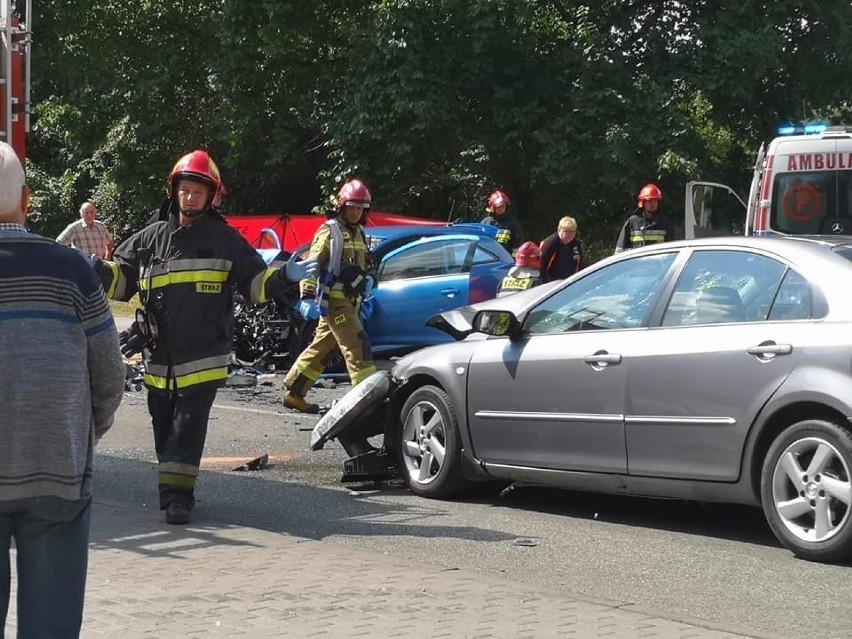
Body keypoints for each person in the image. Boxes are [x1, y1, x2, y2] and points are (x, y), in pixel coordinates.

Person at [91, 150, 317, 525]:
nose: (190, 197)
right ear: (173, 192)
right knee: (163, 426)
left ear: (211, 196)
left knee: (188, 425)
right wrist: (94, 270)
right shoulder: (150, 239)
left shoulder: (225, 241)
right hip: (159, 358)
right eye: (184, 190)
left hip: (203, 358)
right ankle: (173, 484)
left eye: (198, 191)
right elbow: (123, 281)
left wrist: (284, 277)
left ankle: (178, 499)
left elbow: (256, 287)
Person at [0, 141, 125, 636]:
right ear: (27, 199)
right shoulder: (72, 269)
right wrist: (80, 434)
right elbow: (109, 377)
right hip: (58, 470)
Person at [283, 179, 378, 413]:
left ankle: (294, 392)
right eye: (352, 207)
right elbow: (312, 264)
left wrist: (370, 278)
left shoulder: (360, 233)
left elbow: (367, 263)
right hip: (335, 303)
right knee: (357, 344)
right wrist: (306, 294)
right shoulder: (330, 230)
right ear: (342, 206)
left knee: (323, 348)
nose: (356, 212)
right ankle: (366, 398)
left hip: (352, 301)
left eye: (360, 208)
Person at [614, 183, 671, 253]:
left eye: (655, 200)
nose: (653, 203)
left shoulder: (664, 223)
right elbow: (620, 250)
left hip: (657, 263)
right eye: (650, 201)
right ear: (643, 202)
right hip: (636, 263)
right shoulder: (633, 222)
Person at [539, 216, 583, 282]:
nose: (569, 234)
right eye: (566, 231)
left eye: (571, 232)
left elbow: (579, 263)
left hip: (569, 281)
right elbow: (542, 267)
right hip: (552, 283)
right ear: (559, 230)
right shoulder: (550, 243)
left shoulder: (576, 244)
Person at [482, 189, 524, 254]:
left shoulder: (512, 223)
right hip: (489, 259)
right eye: (498, 207)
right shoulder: (486, 223)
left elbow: (517, 244)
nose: (501, 208)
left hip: (506, 259)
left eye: (503, 206)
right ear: (493, 208)